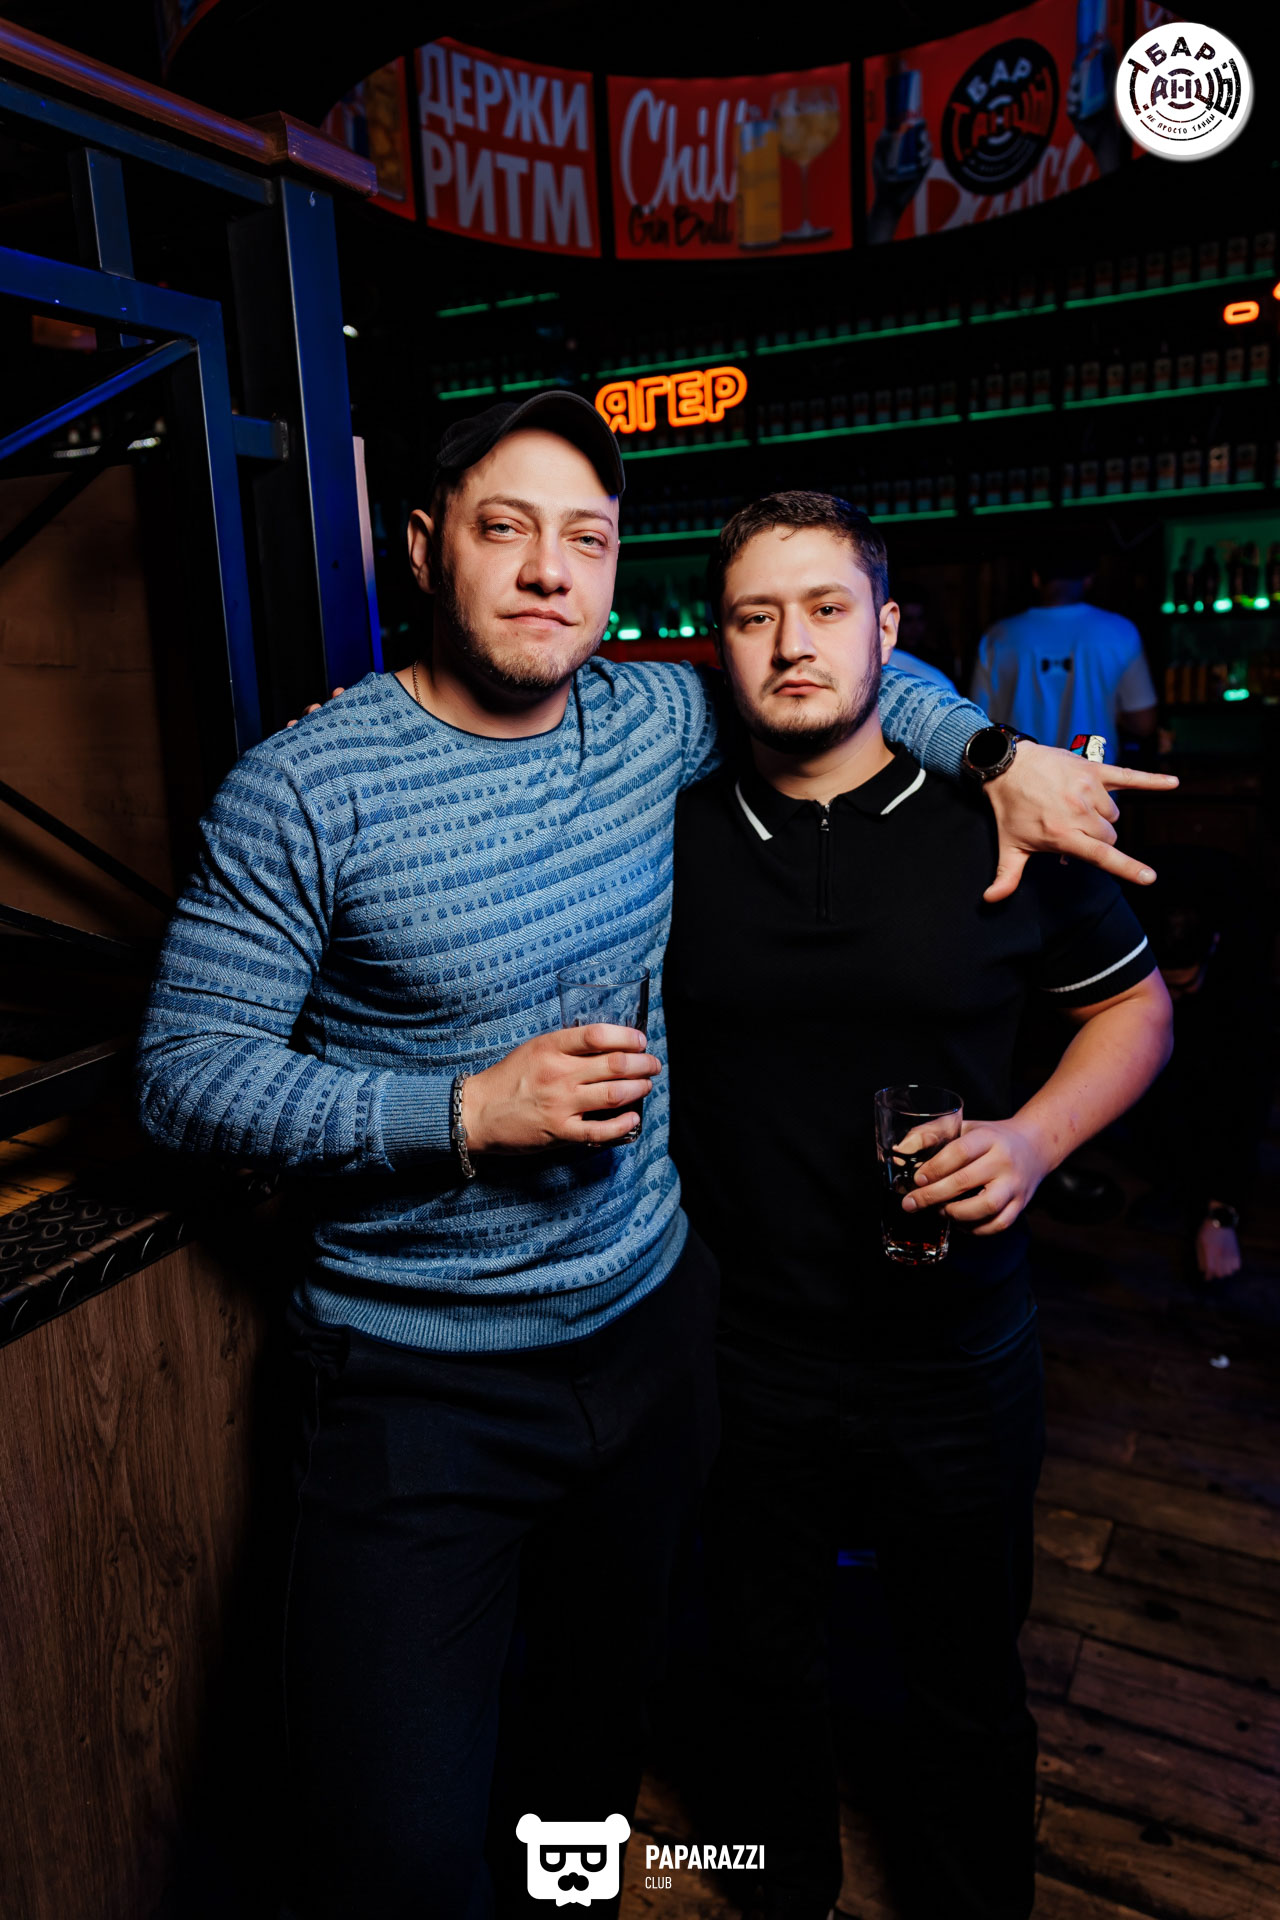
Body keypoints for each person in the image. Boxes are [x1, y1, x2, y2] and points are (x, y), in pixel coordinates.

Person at [134, 393, 1173, 1920]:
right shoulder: (306, 786)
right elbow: (181, 1081)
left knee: (592, 1763)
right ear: (423, 549)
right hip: (418, 1379)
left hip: (653, 1341)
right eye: (506, 528)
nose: (548, 570)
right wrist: (463, 1113)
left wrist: (995, 748)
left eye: (587, 537)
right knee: (395, 1849)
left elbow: (839, 667)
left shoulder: (654, 723)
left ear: (620, 571)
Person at [662, 492, 1173, 1920]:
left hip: (955, 1345)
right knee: (756, 1662)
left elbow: (1135, 1014)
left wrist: (1032, 1140)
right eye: (755, 616)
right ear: (719, 644)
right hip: (743, 1346)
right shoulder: (665, 833)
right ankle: (781, 1894)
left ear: (889, 630)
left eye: (827, 609)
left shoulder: (998, 819)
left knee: (960, 1676)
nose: (792, 644)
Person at [1129, 848, 1271, 1281]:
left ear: (1213, 947)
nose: (1175, 999)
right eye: (1166, 987)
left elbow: (1244, 1096)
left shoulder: (1244, 977)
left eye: (1184, 986)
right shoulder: (1130, 917)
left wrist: (1220, 1214)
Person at [971, 548, 1158, 750]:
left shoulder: (998, 636)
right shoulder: (1120, 631)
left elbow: (977, 721)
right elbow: (1143, 722)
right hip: (1091, 766)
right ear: (1088, 580)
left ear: (1036, 578)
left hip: (1020, 766)